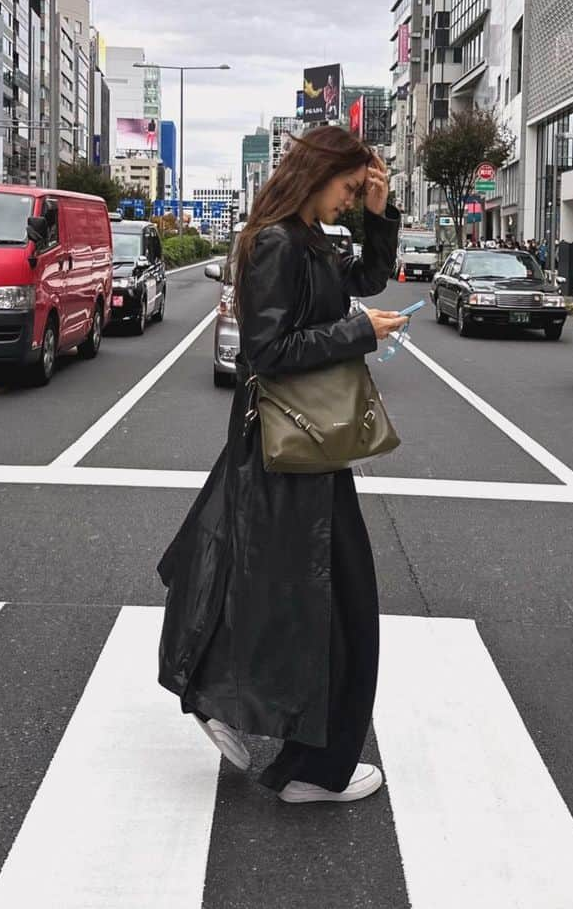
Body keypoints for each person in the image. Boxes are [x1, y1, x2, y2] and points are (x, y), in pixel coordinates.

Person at [158, 127, 405, 804]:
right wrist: (362, 331)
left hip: (300, 448)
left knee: (290, 594)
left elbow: (366, 278)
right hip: (288, 446)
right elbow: (263, 352)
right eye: (349, 188)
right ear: (318, 174)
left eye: (358, 193)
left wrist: (379, 213)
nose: (351, 200)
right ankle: (308, 768)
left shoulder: (304, 238)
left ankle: (282, 746)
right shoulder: (275, 241)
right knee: (331, 604)